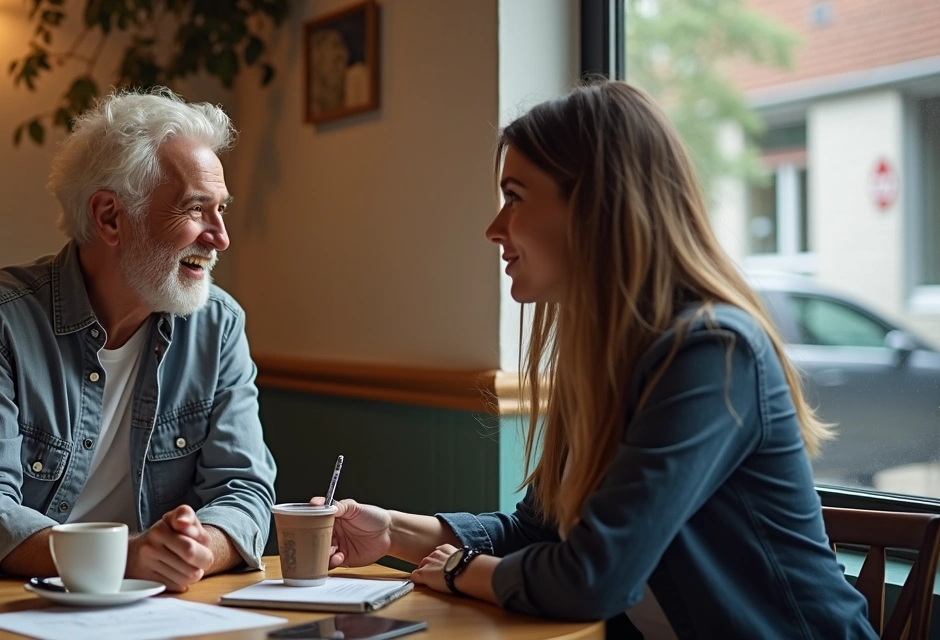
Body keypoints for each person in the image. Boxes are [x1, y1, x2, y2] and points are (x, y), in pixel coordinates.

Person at [314, 81, 877, 639]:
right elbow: (540, 533)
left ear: (595, 207)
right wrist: (393, 532)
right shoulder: (607, 362)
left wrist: (463, 570)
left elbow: (591, 577)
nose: (494, 229)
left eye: (514, 196)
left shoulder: (711, 353)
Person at [0, 88, 277, 593]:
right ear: (109, 217)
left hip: (149, 610)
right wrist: (122, 560)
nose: (219, 237)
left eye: (222, 210)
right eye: (196, 209)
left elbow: (243, 488)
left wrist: (195, 549)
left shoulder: (218, 325)